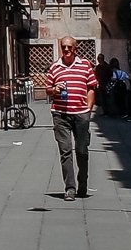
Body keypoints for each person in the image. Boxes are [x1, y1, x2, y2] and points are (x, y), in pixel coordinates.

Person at [39, 36, 97, 200]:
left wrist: (88, 110)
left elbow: (91, 87)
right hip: (60, 115)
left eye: (69, 47)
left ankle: (83, 183)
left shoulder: (85, 66)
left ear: (75, 48)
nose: (66, 50)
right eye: (63, 47)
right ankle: (70, 188)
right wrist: (55, 90)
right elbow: (48, 90)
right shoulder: (54, 68)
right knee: (65, 151)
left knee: (82, 150)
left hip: (81, 115)